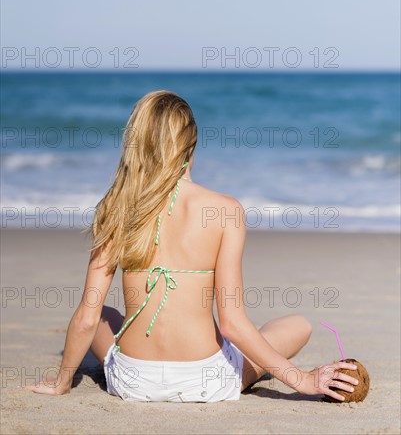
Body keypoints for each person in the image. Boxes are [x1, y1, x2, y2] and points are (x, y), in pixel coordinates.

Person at [25, 90, 359, 402]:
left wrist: (63, 382)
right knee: (298, 325)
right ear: (191, 146)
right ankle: (241, 360)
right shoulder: (225, 210)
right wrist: (302, 380)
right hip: (206, 380)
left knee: (102, 314)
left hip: (133, 381)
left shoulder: (116, 208)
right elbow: (232, 323)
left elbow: (86, 317)